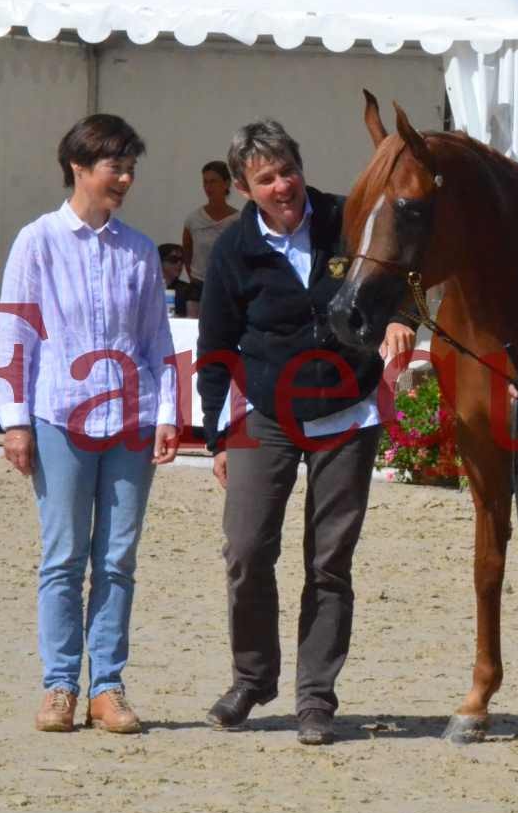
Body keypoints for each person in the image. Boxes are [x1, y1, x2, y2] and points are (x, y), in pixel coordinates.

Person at [196, 120, 414, 746]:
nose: (282, 185)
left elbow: (408, 275)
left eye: (287, 169)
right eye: (265, 178)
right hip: (266, 413)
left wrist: (400, 318)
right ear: (244, 188)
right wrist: (216, 437)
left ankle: (315, 697)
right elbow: (215, 348)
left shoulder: (349, 217)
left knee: (328, 562)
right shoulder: (236, 250)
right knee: (245, 550)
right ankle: (252, 678)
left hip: (347, 411)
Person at [0, 113, 180, 734]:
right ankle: (59, 685)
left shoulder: (139, 249)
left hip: (130, 419)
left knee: (118, 559)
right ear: (79, 166)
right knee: (64, 557)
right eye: (115, 166)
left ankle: (108, 687)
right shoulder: (38, 241)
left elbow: (158, 338)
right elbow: (14, 332)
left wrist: (168, 413)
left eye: (131, 168)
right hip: (59, 417)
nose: (125, 178)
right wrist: (15, 421)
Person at [181, 159, 240, 306]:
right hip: (198, 289)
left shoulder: (239, 221)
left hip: (228, 289)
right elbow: (187, 252)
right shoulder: (193, 219)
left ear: (226, 184)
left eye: (213, 181)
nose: (208, 187)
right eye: (205, 182)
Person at [158, 243, 195, 317]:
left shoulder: (188, 289)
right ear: (160, 262)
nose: (179, 263)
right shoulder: (150, 288)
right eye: (173, 259)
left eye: (182, 260)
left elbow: (192, 318)